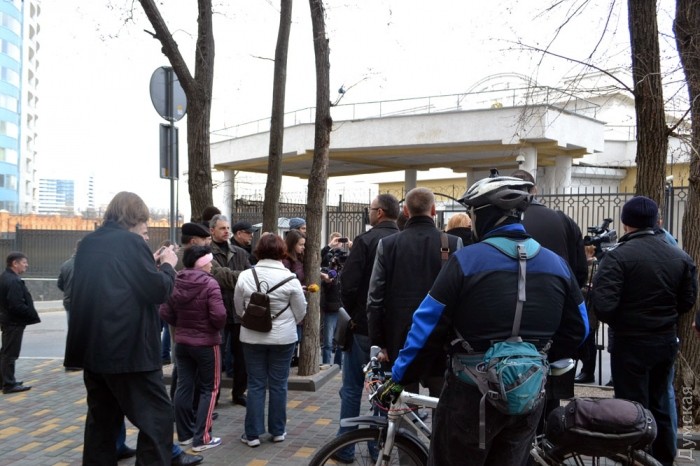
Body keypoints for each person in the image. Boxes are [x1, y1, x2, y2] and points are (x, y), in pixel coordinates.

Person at [381, 174, 588, 465]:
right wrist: (535, 357)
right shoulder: (557, 264)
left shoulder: (466, 261)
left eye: (473, 214)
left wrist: (400, 377)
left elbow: (426, 327)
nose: (472, 221)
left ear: (486, 215)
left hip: (470, 395)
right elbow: (580, 327)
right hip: (528, 393)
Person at [63, 191, 179, 465]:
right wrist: (168, 266)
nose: (146, 235)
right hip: (129, 353)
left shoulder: (90, 242)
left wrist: (148, 263)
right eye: (145, 228)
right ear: (135, 218)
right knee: (158, 419)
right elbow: (158, 291)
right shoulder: (131, 242)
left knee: (101, 424)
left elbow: (115, 281)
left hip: (94, 352)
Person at [593, 196, 698, 466]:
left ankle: (636, 457)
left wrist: (626, 319)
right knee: (660, 401)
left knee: (632, 408)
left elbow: (603, 306)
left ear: (625, 223)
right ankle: (663, 457)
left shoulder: (617, 257)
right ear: (655, 222)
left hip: (629, 343)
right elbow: (687, 301)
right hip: (664, 341)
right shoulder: (679, 256)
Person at [367, 187, 462, 399]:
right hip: (440, 339)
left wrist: (379, 342)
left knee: (402, 405)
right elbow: (462, 297)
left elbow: (374, 299)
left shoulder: (388, 245)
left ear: (405, 211)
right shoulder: (453, 244)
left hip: (399, 340)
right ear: (434, 210)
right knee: (441, 403)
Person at [333, 193, 400, 462]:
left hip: (363, 328)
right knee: (385, 392)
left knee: (351, 388)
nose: (369, 213)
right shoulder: (403, 241)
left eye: (370, 209)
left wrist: (356, 314)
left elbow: (347, 284)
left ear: (380, 212)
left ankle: (345, 447)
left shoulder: (366, 240)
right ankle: (379, 447)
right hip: (393, 333)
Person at [234, 233, 307, 447]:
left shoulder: (246, 276)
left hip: (251, 337)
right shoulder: (291, 279)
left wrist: (251, 318)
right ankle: (278, 431)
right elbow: (301, 311)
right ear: (282, 252)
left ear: (259, 251)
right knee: (279, 384)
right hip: (283, 338)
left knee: (255, 384)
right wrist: (287, 322)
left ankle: (252, 434)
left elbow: (238, 307)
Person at [160, 245, 227, 452]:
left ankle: (185, 435)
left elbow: (165, 311)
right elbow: (219, 315)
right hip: (207, 344)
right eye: (209, 261)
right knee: (210, 389)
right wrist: (212, 328)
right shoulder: (210, 283)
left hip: (182, 343)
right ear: (202, 263)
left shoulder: (176, 280)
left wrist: (182, 325)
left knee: (183, 386)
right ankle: (202, 438)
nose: (212, 265)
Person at [209, 213, 252, 406]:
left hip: (238, 312)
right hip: (216, 312)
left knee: (241, 356)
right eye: (222, 228)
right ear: (212, 230)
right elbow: (217, 279)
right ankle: (214, 396)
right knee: (216, 358)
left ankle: (239, 393)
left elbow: (250, 279)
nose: (226, 231)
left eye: (227, 228)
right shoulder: (207, 253)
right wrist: (238, 278)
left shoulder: (240, 252)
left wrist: (234, 279)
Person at [0, 252, 40, 394]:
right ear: (15, 263)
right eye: (24, 262)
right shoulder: (13, 281)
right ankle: (9, 384)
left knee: (5, 352)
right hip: (14, 322)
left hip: (8, 320)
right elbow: (16, 305)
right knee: (10, 354)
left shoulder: (5, 276)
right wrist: (30, 313)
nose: (26, 265)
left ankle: (5, 381)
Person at [320, 232, 345, 366]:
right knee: (328, 341)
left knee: (341, 342)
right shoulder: (326, 260)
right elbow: (317, 260)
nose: (338, 243)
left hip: (342, 307)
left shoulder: (344, 259)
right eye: (336, 241)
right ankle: (326, 365)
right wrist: (329, 247)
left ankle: (337, 366)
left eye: (340, 241)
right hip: (330, 306)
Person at [283, 229, 306, 366]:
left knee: (298, 337)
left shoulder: (299, 258)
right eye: (300, 244)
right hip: (291, 305)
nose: (303, 248)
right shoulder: (286, 261)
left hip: (299, 300)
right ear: (292, 244)